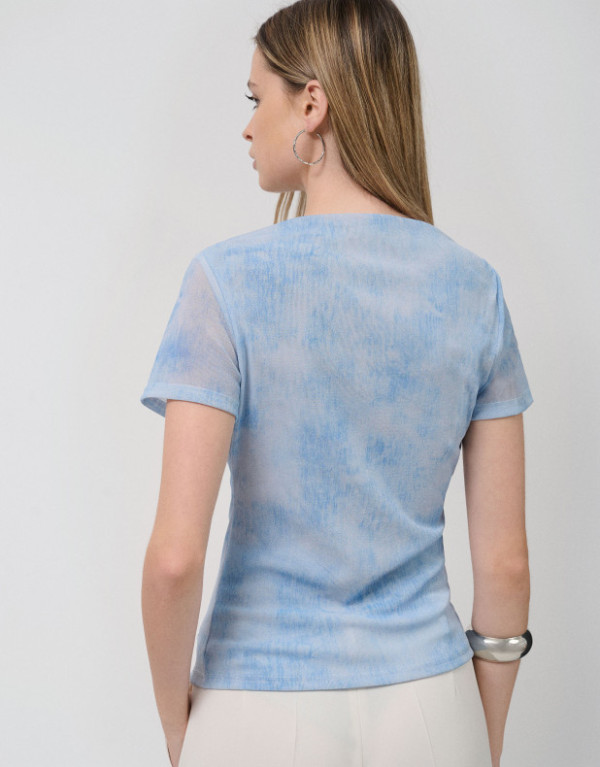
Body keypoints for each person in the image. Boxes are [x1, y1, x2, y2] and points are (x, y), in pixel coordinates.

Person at [139, 1, 534, 765]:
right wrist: (477, 735)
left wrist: (178, 728)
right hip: (432, 700)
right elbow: (506, 565)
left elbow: (174, 559)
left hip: (257, 704)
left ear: (312, 104)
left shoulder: (225, 281)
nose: (246, 126)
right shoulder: (474, 288)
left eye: (257, 97)